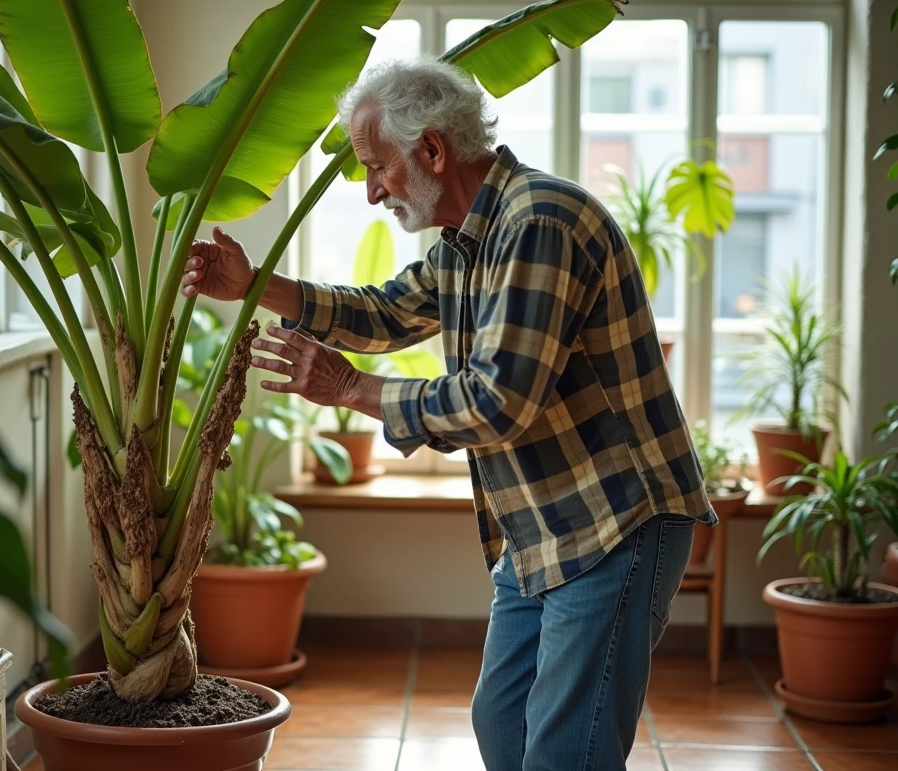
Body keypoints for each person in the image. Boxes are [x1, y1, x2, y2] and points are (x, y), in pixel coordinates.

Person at [181, 57, 715, 771]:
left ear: (432, 150)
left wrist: (350, 390)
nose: (372, 192)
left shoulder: (539, 222)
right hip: (544, 526)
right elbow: (385, 311)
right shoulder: (467, 240)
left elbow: (498, 404)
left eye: (377, 167)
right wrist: (253, 285)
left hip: (616, 519)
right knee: (502, 723)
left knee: (565, 754)